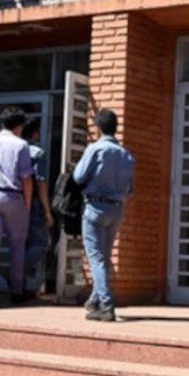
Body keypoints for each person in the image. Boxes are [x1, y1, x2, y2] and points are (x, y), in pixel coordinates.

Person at [73, 109, 135, 322]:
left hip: (95, 207)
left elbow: (78, 176)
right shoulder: (127, 155)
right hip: (116, 209)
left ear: (98, 128)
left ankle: (106, 305)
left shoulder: (95, 149)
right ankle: (94, 300)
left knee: (96, 258)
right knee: (104, 258)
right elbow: (130, 190)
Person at [0, 107, 34, 309]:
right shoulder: (21, 145)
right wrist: (27, 203)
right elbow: (27, 178)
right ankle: (16, 292)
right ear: (19, 126)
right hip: (14, 196)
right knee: (17, 246)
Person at [21, 117, 56, 300]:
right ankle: (16, 271)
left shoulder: (13, 149)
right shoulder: (37, 153)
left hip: (14, 201)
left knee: (22, 243)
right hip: (32, 202)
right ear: (34, 133)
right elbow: (40, 183)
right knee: (41, 243)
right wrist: (47, 210)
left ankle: (20, 286)